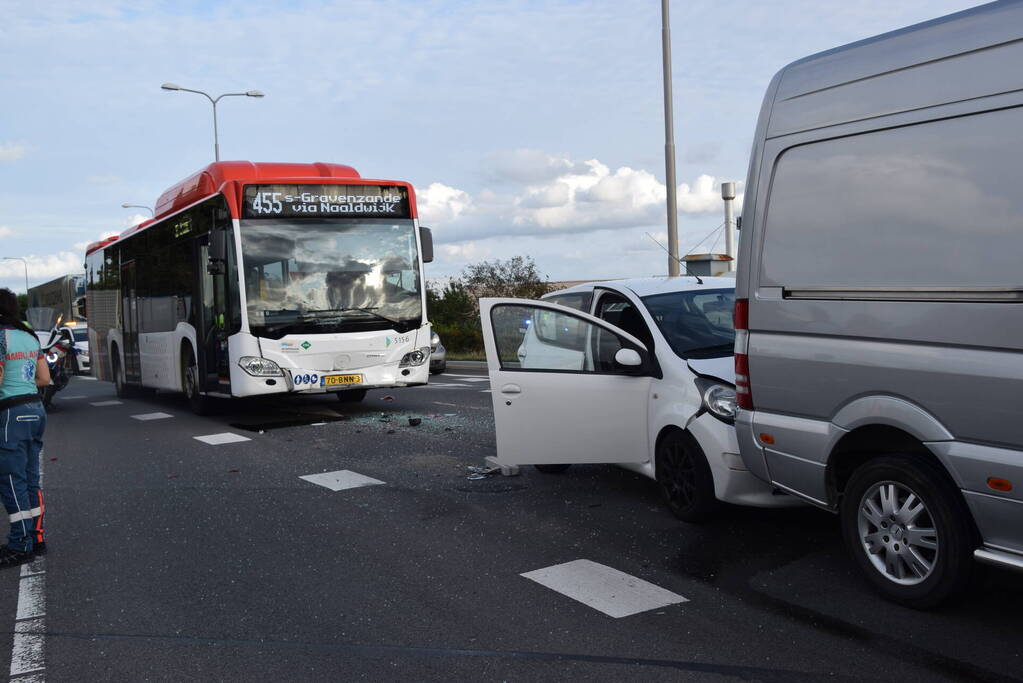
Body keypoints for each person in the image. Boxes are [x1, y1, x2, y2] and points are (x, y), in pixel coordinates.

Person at [0, 289, 49, 568]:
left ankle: (20, 545)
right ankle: (37, 538)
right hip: (35, 409)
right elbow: (44, 378)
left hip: (10, 413)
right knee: (31, 479)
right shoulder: (28, 336)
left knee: (10, 479)